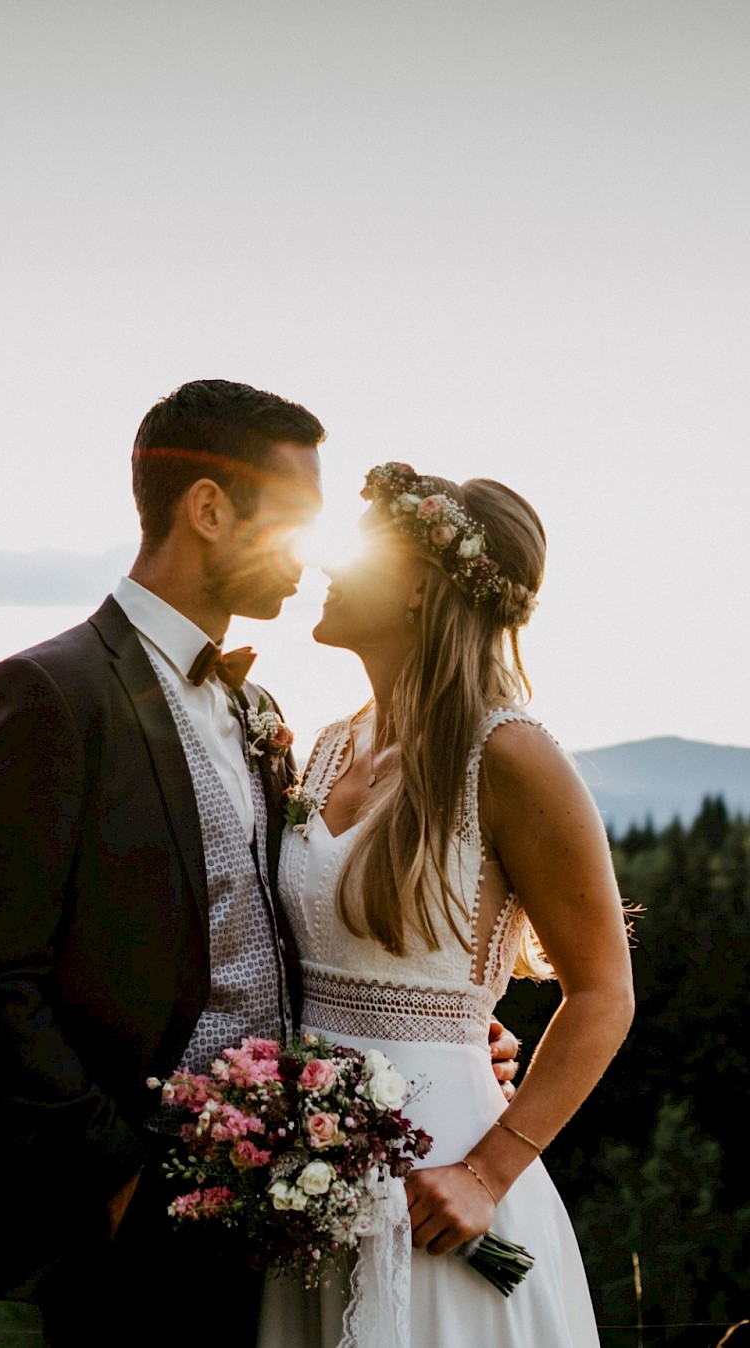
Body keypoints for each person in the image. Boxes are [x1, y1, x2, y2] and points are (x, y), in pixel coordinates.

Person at [0, 388, 520, 1348]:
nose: (312, 553)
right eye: (294, 520)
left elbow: (285, 926)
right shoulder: (47, 694)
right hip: (136, 1222)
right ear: (209, 509)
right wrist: (121, 1179)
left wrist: (435, 1040)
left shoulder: (259, 708)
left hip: (279, 1220)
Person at [258, 463, 634, 1348]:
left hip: (439, 1186)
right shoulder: (327, 746)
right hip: (305, 1181)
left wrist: (487, 1173)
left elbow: (603, 993)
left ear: (421, 586)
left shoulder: (510, 754)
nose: (326, 568)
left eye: (360, 553)